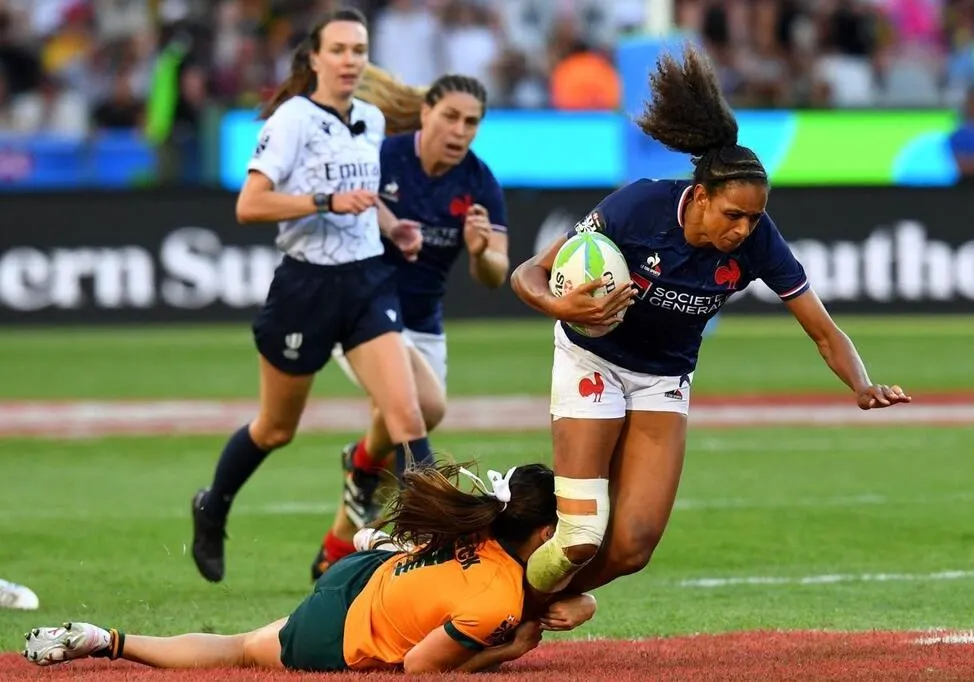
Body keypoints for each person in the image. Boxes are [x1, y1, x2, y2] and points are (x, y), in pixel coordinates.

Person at [509, 44, 912, 619]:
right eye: (733, 216)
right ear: (699, 196)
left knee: (633, 545)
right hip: (590, 360)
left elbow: (824, 331)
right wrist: (563, 307)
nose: (744, 230)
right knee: (580, 533)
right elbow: (530, 273)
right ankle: (498, 601)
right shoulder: (639, 207)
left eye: (754, 218)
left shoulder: (760, 242)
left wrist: (862, 383)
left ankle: (520, 606)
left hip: (663, 380)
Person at [189, 8, 434, 585]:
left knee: (407, 414)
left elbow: (363, 196)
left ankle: (441, 538)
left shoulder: (370, 119)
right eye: (340, 50)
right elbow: (250, 205)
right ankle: (213, 505)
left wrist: (392, 224)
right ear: (315, 58)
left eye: (359, 50)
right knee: (276, 428)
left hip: (366, 280)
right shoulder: (292, 120)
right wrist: (323, 202)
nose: (351, 60)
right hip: (306, 288)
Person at [24, 464, 598, 674]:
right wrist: (512, 650)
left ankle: (109, 638)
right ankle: (108, 641)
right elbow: (423, 667)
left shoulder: (480, 521)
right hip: (342, 629)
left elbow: (526, 587)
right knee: (241, 649)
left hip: (363, 572)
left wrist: (580, 604)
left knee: (240, 644)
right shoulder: (498, 599)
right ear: (546, 535)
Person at [311, 72, 510, 581]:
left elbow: (496, 275)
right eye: (450, 116)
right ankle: (425, 528)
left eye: (471, 122)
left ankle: (340, 533)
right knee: (422, 408)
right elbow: (337, 204)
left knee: (399, 414)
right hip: (360, 310)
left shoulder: (480, 181)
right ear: (426, 113)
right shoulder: (382, 155)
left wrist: (480, 251)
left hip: (422, 325)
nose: (460, 130)